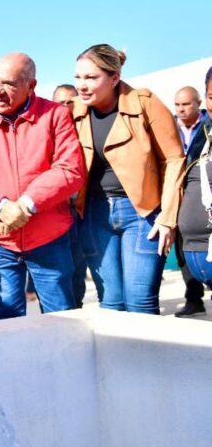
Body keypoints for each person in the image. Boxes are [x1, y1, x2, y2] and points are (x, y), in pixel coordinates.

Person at [0, 53, 84, 320]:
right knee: (6, 319)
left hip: (50, 238)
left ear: (31, 86)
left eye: (10, 84)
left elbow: (70, 168)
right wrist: (0, 207)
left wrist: (25, 204)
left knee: (63, 318)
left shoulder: (55, 115)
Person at [72, 44, 184, 314]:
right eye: (78, 77)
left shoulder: (144, 102)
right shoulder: (72, 111)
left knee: (140, 301)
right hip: (94, 215)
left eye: (91, 78)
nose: (82, 86)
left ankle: (147, 357)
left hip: (143, 215)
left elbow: (174, 159)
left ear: (114, 77)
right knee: (110, 303)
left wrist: (168, 217)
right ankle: (116, 359)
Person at [174, 82, 212, 317]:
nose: (181, 109)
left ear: (198, 103)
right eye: (177, 104)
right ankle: (193, 298)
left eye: (186, 104)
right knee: (182, 252)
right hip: (183, 197)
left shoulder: (206, 126)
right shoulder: (170, 126)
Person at [50, 83, 89, 307]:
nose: (66, 106)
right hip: (60, 210)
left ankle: (79, 303)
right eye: (60, 102)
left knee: (80, 264)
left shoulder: (88, 128)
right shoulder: (49, 133)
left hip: (85, 209)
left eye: (70, 101)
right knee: (64, 265)